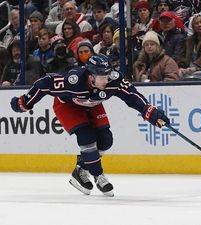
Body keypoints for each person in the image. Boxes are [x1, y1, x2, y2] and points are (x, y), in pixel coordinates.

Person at [9, 54, 170, 197]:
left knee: (106, 140)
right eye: (101, 76)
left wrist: (150, 112)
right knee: (86, 136)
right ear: (91, 76)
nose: (106, 80)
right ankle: (98, 175)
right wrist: (24, 102)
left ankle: (80, 170)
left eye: (107, 75)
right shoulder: (73, 81)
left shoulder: (114, 79)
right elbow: (44, 84)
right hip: (67, 106)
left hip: (92, 104)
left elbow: (133, 97)